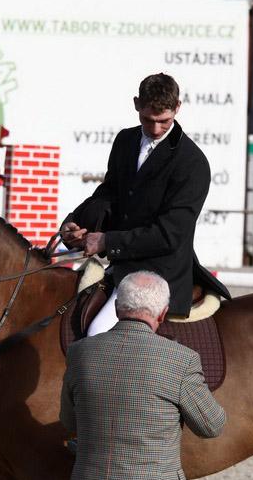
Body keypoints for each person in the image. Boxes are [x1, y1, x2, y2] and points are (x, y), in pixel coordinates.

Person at [60, 73, 230, 336]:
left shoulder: (192, 162)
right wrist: (76, 223)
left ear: (177, 108)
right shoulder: (125, 141)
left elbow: (169, 234)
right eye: (148, 120)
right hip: (122, 266)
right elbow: (109, 193)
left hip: (160, 272)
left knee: (98, 332)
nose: (156, 129)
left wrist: (107, 241)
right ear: (136, 104)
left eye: (164, 121)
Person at [60, 271, 226, 480]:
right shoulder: (182, 360)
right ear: (163, 313)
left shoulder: (79, 352)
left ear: (116, 308)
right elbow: (211, 426)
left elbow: (69, 420)